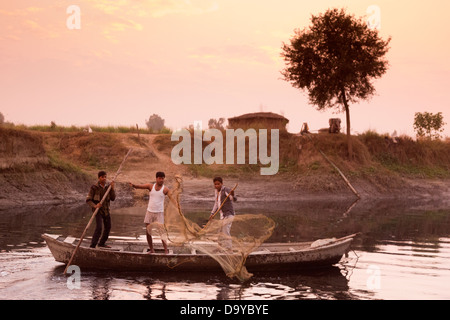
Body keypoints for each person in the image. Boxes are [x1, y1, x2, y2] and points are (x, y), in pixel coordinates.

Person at [129, 171, 172, 254]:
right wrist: (134, 185)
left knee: (161, 232)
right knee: (148, 231)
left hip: (159, 213)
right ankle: (152, 249)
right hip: (150, 212)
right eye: (160, 178)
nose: (161, 180)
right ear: (156, 179)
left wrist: (176, 203)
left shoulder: (165, 189)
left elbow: (172, 198)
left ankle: (166, 250)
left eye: (163, 178)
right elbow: (140, 187)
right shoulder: (150, 186)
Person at [86, 170, 116, 248]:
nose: (104, 178)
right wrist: (95, 206)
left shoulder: (108, 187)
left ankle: (102, 243)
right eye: (102, 177)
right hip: (98, 211)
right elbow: (88, 200)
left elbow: (113, 198)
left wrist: (112, 189)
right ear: (99, 178)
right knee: (99, 228)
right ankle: (93, 245)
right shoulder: (94, 187)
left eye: (105, 177)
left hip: (106, 210)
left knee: (108, 227)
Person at [210, 177, 237, 250]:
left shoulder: (226, 190)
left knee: (225, 231)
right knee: (220, 231)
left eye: (218, 184)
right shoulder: (216, 191)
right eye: (215, 184)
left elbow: (233, 199)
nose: (216, 186)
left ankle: (228, 248)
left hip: (229, 214)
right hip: (222, 216)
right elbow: (216, 203)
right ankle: (220, 247)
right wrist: (212, 213)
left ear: (222, 184)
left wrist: (232, 194)